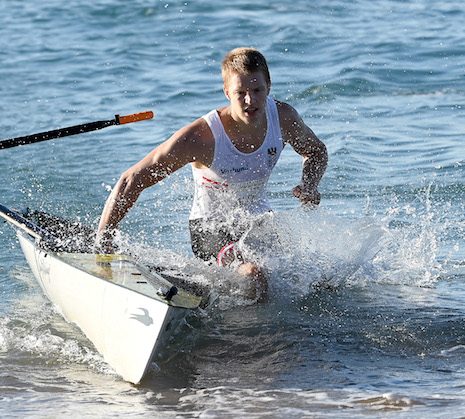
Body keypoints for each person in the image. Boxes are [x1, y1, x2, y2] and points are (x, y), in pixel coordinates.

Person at [96, 47, 328, 297]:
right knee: (253, 274)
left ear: (269, 87)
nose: (251, 101)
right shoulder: (203, 137)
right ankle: (252, 333)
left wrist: (309, 185)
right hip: (211, 227)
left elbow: (316, 152)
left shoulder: (283, 118)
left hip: (259, 220)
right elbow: (132, 179)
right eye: (241, 93)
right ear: (227, 92)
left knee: (312, 275)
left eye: (257, 90)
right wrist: (103, 239)